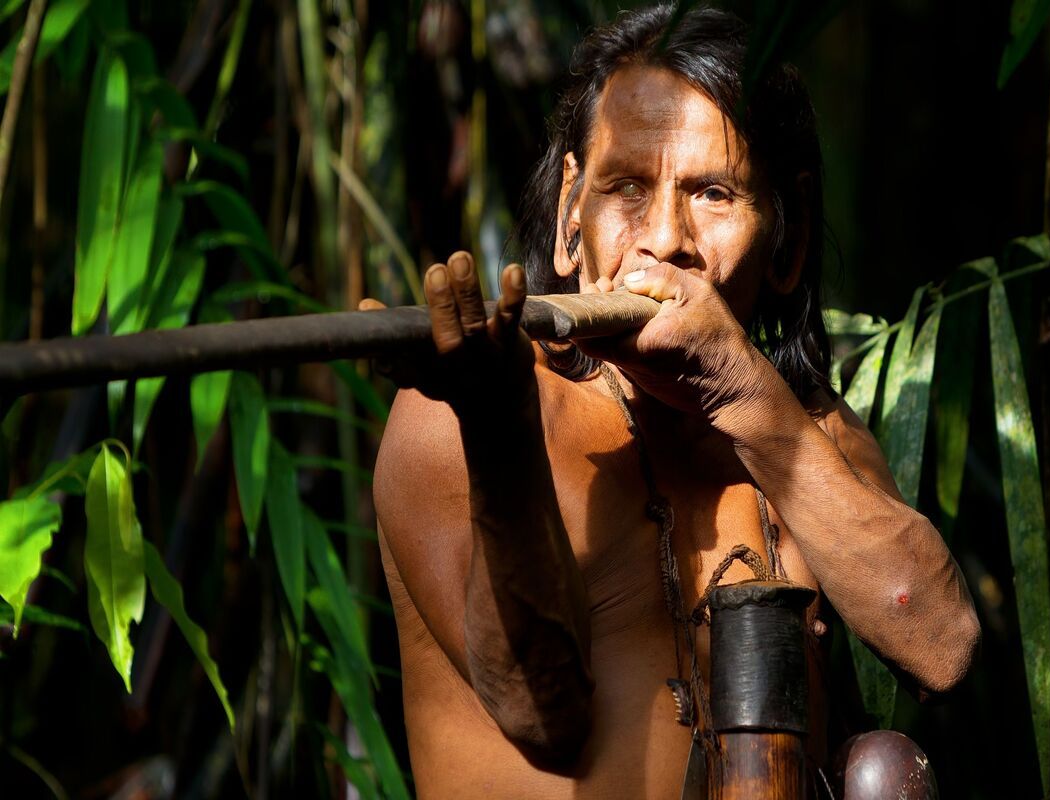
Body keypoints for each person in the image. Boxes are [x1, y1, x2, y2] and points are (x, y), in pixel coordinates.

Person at [369, 5, 980, 798]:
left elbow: (942, 647)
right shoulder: (462, 410)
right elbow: (539, 715)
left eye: (714, 194)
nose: (664, 239)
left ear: (788, 240)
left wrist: (739, 387)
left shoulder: (804, 427)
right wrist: (498, 429)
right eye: (626, 187)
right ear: (570, 216)